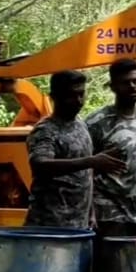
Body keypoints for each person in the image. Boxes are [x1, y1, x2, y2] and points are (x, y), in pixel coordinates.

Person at [24, 70, 124, 228]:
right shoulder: (45, 130)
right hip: (50, 224)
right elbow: (39, 165)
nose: (78, 100)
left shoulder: (80, 124)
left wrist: (91, 213)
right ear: (55, 96)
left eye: (81, 94)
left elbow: (85, 174)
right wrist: (90, 161)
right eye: (71, 95)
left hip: (79, 224)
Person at [85, 58, 136, 237]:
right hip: (110, 213)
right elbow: (84, 169)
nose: (133, 86)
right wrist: (90, 212)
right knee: (113, 264)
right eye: (126, 83)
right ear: (113, 87)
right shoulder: (97, 122)